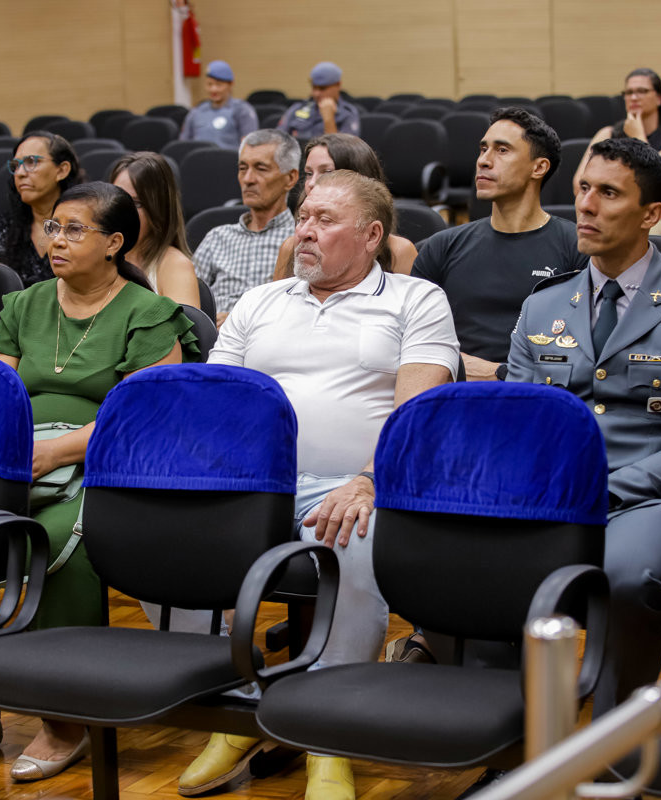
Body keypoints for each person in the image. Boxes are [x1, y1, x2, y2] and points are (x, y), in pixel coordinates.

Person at [178, 169, 457, 800]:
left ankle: (329, 734)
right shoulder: (260, 301)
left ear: (371, 235)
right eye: (304, 216)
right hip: (259, 481)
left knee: (356, 535)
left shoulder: (415, 300)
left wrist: (365, 482)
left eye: (325, 220)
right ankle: (237, 701)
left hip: (355, 480)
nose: (305, 230)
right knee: (163, 527)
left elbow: (416, 411)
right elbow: (222, 404)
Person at [0, 181, 199, 780]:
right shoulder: (24, 305)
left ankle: (67, 718)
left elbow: (142, 414)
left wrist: (59, 450)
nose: (57, 239)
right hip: (18, 453)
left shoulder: (149, 313)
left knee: (55, 542)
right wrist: (9, 450)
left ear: (114, 243)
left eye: (74, 229)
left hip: (104, 460)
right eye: (54, 227)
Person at [506, 137, 661, 713]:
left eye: (608, 193)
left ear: (651, 214)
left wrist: (603, 490)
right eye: (583, 189)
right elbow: (517, 423)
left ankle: (620, 735)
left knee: (627, 578)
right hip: (549, 491)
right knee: (479, 557)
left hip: (646, 496)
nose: (585, 205)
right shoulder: (543, 305)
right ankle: (515, 736)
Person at [412, 107, 586, 380]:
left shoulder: (579, 248)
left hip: (539, 397)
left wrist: (500, 373)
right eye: (483, 149)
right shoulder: (441, 247)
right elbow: (412, 341)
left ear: (538, 167)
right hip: (455, 396)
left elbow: (589, 351)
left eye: (502, 150)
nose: (484, 160)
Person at [271, 133, 418, 280]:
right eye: (309, 173)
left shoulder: (399, 251)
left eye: (327, 172)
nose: (311, 183)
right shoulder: (290, 247)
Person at [193, 129, 299, 325]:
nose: (248, 179)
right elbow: (188, 303)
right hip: (214, 344)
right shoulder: (217, 237)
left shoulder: (302, 239)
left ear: (290, 178)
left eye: (261, 168)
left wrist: (236, 320)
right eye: (243, 168)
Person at [572, 68, 661, 228]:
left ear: (659, 98)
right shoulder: (607, 133)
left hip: (651, 215)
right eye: (629, 92)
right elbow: (579, 183)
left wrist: (638, 137)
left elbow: (657, 181)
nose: (634, 97)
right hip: (605, 210)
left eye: (642, 91)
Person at [0, 131, 81, 286]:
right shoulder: (3, 228)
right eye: (16, 166)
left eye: (31, 162)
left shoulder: (83, 228)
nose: (20, 173)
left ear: (62, 170)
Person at [109, 152, 200, 307]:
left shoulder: (175, 265)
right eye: (117, 199)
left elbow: (181, 330)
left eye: (137, 204)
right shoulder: (98, 256)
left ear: (158, 209)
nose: (124, 211)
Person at [179, 60, 259, 149]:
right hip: (197, 161)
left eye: (219, 85)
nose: (213, 89)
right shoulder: (196, 111)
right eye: (209, 84)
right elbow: (183, 145)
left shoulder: (242, 110)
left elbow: (250, 147)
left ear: (230, 84)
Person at [277, 61, 362, 140]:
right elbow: (278, 140)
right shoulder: (298, 108)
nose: (316, 94)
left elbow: (344, 152)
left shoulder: (348, 114)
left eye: (322, 88)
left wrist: (329, 120)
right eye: (314, 87)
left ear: (338, 85)